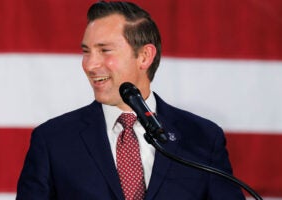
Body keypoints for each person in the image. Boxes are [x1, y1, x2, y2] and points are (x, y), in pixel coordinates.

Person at [16, 1, 245, 199]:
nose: (89, 64)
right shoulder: (53, 141)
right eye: (86, 51)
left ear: (144, 56)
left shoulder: (202, 138)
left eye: (104, 50)